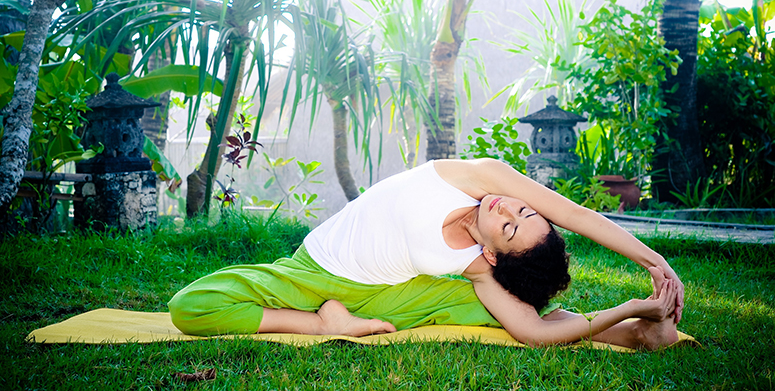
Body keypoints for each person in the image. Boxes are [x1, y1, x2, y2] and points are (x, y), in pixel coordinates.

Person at [169, 158, 683, 349]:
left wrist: (628, 309)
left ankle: (635, 334)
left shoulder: (477, 267)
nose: (507, 208)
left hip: (384, 295)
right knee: (192, 307)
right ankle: (321, 323)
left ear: (494, 254)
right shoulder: (481, 178)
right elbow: (576, 214)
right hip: (316, 269)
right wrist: (654, 262)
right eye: (524, 211)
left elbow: (533, 332)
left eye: (509, 227)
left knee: (511, 314)